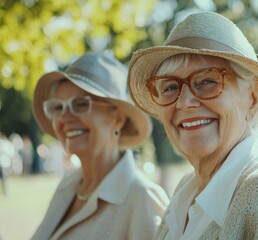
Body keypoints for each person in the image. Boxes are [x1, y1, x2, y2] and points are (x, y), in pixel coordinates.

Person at [128, 12, 258, 239]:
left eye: (207, 81)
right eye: (170, 88)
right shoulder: (186, 190)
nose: (184, 102)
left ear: (252, 97)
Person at [31, 53, 169, 240]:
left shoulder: (141, 198)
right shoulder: (68, 185)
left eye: (80, 104)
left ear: (118, 118)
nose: (63, 118)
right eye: (58, 107)